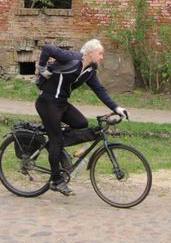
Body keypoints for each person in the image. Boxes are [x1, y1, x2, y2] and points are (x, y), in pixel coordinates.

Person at [35, 39, 128, 196]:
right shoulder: (72, 57)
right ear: (90, 53)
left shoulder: (90, 71)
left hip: (61, 104)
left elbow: (100, 89)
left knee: (81, 123)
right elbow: (48, 48)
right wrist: (42, 67)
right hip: (47, 102)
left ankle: (56, 148)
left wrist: (116, 108)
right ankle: (57, 180)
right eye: (100, 53)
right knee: (56, 141)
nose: (102, 57)